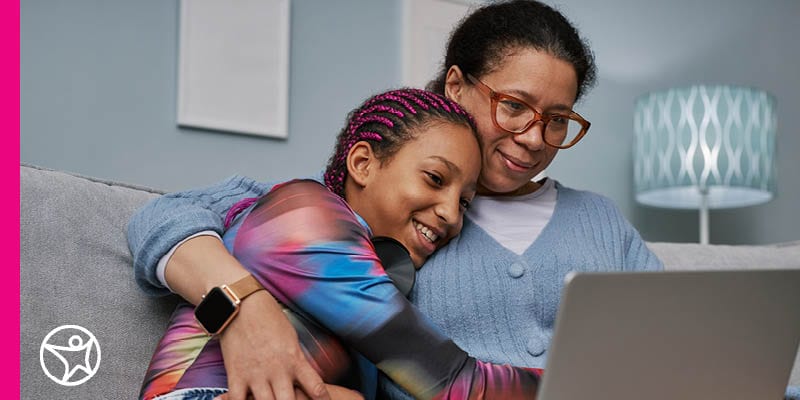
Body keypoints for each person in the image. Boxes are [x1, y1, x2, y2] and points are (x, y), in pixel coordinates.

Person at [128, 1, 662, 400]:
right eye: (515, 106)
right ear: (457, 86)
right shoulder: (339, 205)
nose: (532, 136)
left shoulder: (600, 221)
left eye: (557, 120)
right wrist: (241, 304)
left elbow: (680, 337)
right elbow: (163, 216)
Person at [137, 88, 546, 400]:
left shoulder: (368, 257)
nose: (451, 214)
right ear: (363, 163)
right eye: (435, 179)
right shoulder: (304, 215)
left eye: (464, 202)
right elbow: (453, 382)